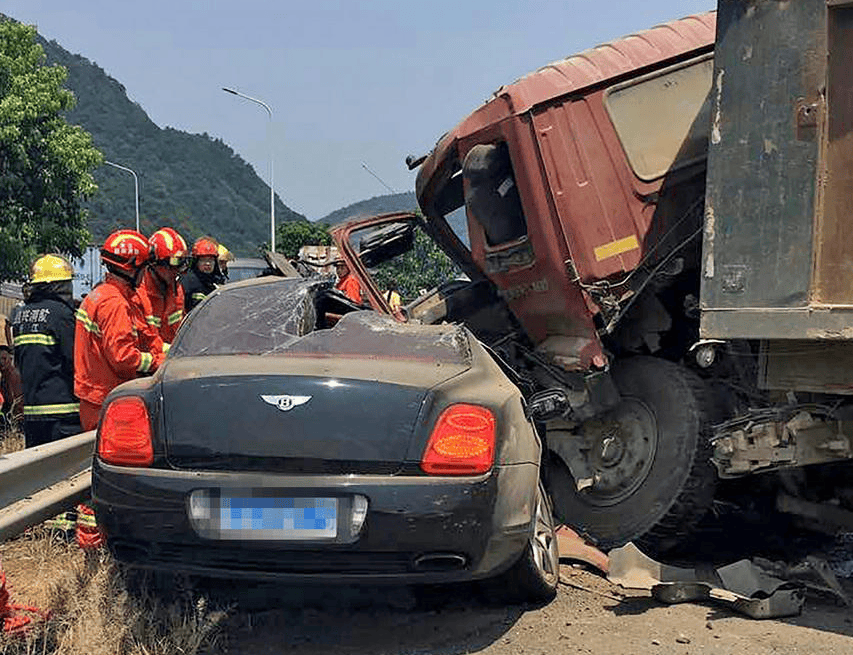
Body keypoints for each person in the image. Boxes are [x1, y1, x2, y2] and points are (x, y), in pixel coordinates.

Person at [74, 230, 166, 431]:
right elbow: (122, 358)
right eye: (144, 268)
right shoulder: (115, 303)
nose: (145, 275)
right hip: (107, 399)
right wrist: (158, 362)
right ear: (132, 267)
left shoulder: (100, 295)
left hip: (95, 398)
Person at [9, 255, 80, 447]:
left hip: (32, 412)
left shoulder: (20, 314)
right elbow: (75, 360)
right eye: (65, 285)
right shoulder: (61, 314)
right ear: (54, 286)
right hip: (63, 413)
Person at [136, 227, 188, 346]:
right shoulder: (139, 293)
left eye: (179, 266)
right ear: (154, 263)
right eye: (172, 266)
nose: (176, 272)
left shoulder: (177, 289)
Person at [181, 236, 220, 313]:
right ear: (196, 262)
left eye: (211, 260)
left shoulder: (215, 282)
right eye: (203, 260)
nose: (208, 264)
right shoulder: (187, 282)